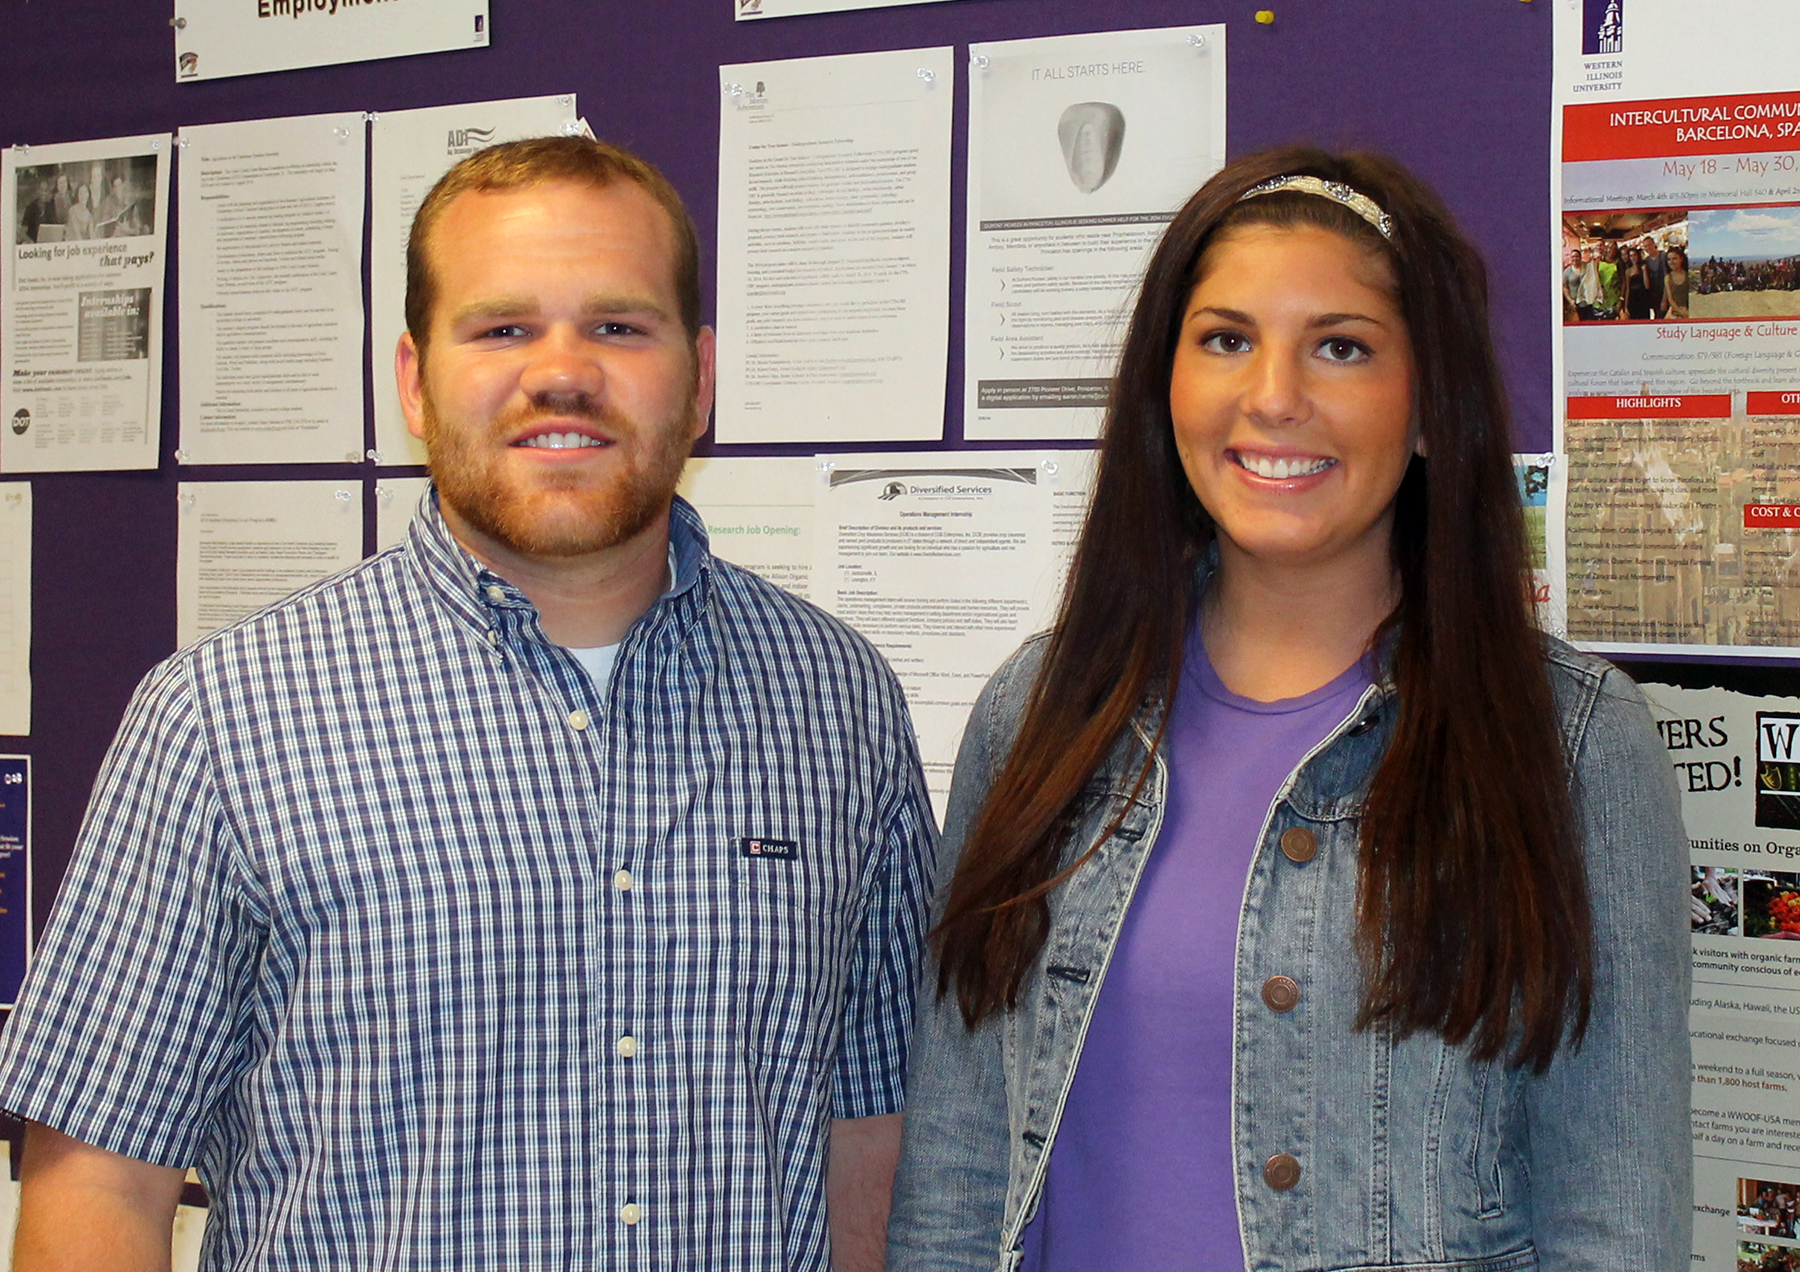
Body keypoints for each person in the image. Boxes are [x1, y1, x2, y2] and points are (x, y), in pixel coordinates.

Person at [0, 135, 936, 1272]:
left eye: (618, 326)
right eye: (502, 329)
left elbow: (869, 1131)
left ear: (699, 380)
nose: (562, 373)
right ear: (413, 380)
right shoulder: (221, 721)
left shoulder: (839, 704)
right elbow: (100, 1184)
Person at [887, 146, 1690, 1271]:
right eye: (1226, 340)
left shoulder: (1574, 745)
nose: (1272, 396)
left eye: (1341, 347)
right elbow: (957, 1169)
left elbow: (1615, 1219)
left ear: (1429, 408)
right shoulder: (1037, 714)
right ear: (1165, 386)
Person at [1664, 244, 1691, 319]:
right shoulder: (1668, 278)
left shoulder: (1688, 276)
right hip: (1675, 313)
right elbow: (1670, 299)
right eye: (1669, 259)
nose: (1671, 262)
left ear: (1681, 259)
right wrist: (1682, 313)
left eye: (1674, 259)